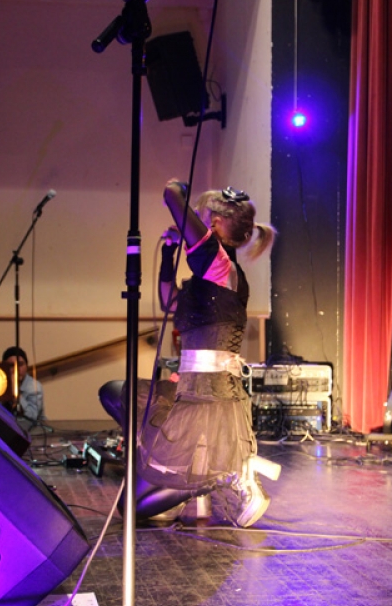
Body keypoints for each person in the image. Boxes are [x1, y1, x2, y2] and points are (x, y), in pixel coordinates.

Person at [100, 180, 280, 527]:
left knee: (132, 508)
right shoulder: (207, 279)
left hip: (210, 398)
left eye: (202, 218)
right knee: (115, 393)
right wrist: (169, 253)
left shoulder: (221, 267)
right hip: (188, 387)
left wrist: (176, 189)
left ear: (214, 223)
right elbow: (168, 300)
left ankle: (227, 473)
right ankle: (186, 481)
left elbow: (171, 196)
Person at [1, 345, 44, 427]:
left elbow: (32, 416)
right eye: (11, 365)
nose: (16, 369)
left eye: (20, 364)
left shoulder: (34, 387)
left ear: (27, 366)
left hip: (32, 429)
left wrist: (15, 393)